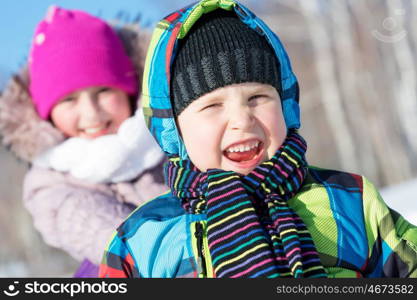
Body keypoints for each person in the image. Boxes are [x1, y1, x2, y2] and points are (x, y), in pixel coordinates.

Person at [99, 0, 417, 278]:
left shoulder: (348, 201)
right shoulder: (144, 239)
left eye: (257, 97)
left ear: (284, 104)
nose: (242, 120)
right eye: (212, 106)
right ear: (175, 130)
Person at [0, 6, 167, 277]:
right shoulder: (52, 183)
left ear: (132, 88)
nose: (91, 113)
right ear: (47, 113)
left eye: (103, 91)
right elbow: (103, 233)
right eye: (69, 100)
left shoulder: (174, 138)